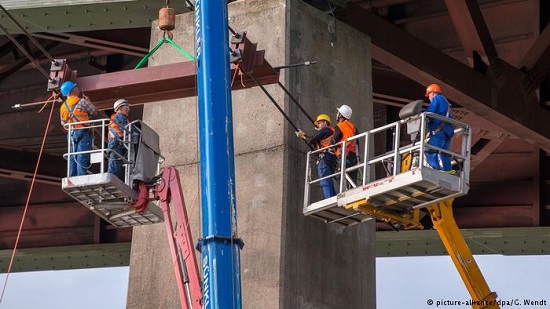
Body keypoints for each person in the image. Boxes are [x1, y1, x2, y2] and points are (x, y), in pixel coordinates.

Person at [59, 81, 96, 176]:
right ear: (72, 90)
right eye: (75, 87)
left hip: (71, 133)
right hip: (83, 131)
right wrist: (89, 101)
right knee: (82, 155)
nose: (77, 88)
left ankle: (72, 176)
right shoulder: (82, 101)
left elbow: (63, 123)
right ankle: (81, 176)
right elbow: (94, 112)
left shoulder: (63, 107)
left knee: (72, 156)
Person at [296, 114, 337, 198]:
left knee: (325, 179)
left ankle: (329, 198)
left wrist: (303, 136)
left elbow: (312, 140)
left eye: (319, 122)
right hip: (331, 157)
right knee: (328, 179)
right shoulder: (329, 131)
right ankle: (332, 197)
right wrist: (304, 136)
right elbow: (314, 141)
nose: (318, 125)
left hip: (326, 157)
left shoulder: (326, 130)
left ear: (325, 123)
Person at [424, 83, 454, 173]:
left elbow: (430, 111)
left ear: (432, 93)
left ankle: (436, 170)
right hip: (447, 133)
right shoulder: (447, 104)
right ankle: (447, 171)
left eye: (429, 95)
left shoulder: (437, 99)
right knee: (444, 153)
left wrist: (422, 113)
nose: (429, 98)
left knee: (429, 150)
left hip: (439, 132)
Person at [331, 104, 359, 183]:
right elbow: (357, 143)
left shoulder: (339, 126)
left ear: (340, 115)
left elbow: (333, 141)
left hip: (344, 156)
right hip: (354, 157)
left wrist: (330, 147)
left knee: (339, 177)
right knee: (352, 182)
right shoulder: (353, 127)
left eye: (338, 112)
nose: (337, 114)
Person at [108, 99, 131, 179]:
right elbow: (126, 129)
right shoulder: (119, 116)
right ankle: (110, 182)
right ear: (120, 108)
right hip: (116, 144)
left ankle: (112, 180)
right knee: (115, 167)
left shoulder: (117, 117)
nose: (129, 109)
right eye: (127, 107)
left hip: (116, 144)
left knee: (116, 166)